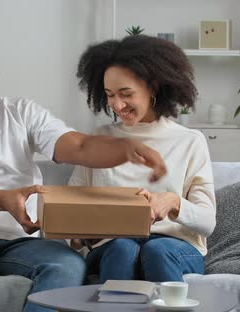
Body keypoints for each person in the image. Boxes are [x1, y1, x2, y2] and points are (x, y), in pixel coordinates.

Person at [0, 27, 167, 312]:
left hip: (19, 242)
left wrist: (124, 148)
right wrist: (0, 199)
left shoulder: (21, 113)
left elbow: (80, 147)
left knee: (68, 262)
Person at [69, 35, 216, 283]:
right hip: (112, 245)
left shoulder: (190, 141)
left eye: (126, 94)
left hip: (173, 247)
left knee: (157, 251)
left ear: (153, 86)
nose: (117, 104)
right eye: (109, 94)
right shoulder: (99, 140)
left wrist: (172, 202)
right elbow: (70, 210)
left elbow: (207, 222)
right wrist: (80, 234)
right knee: (123, 249)